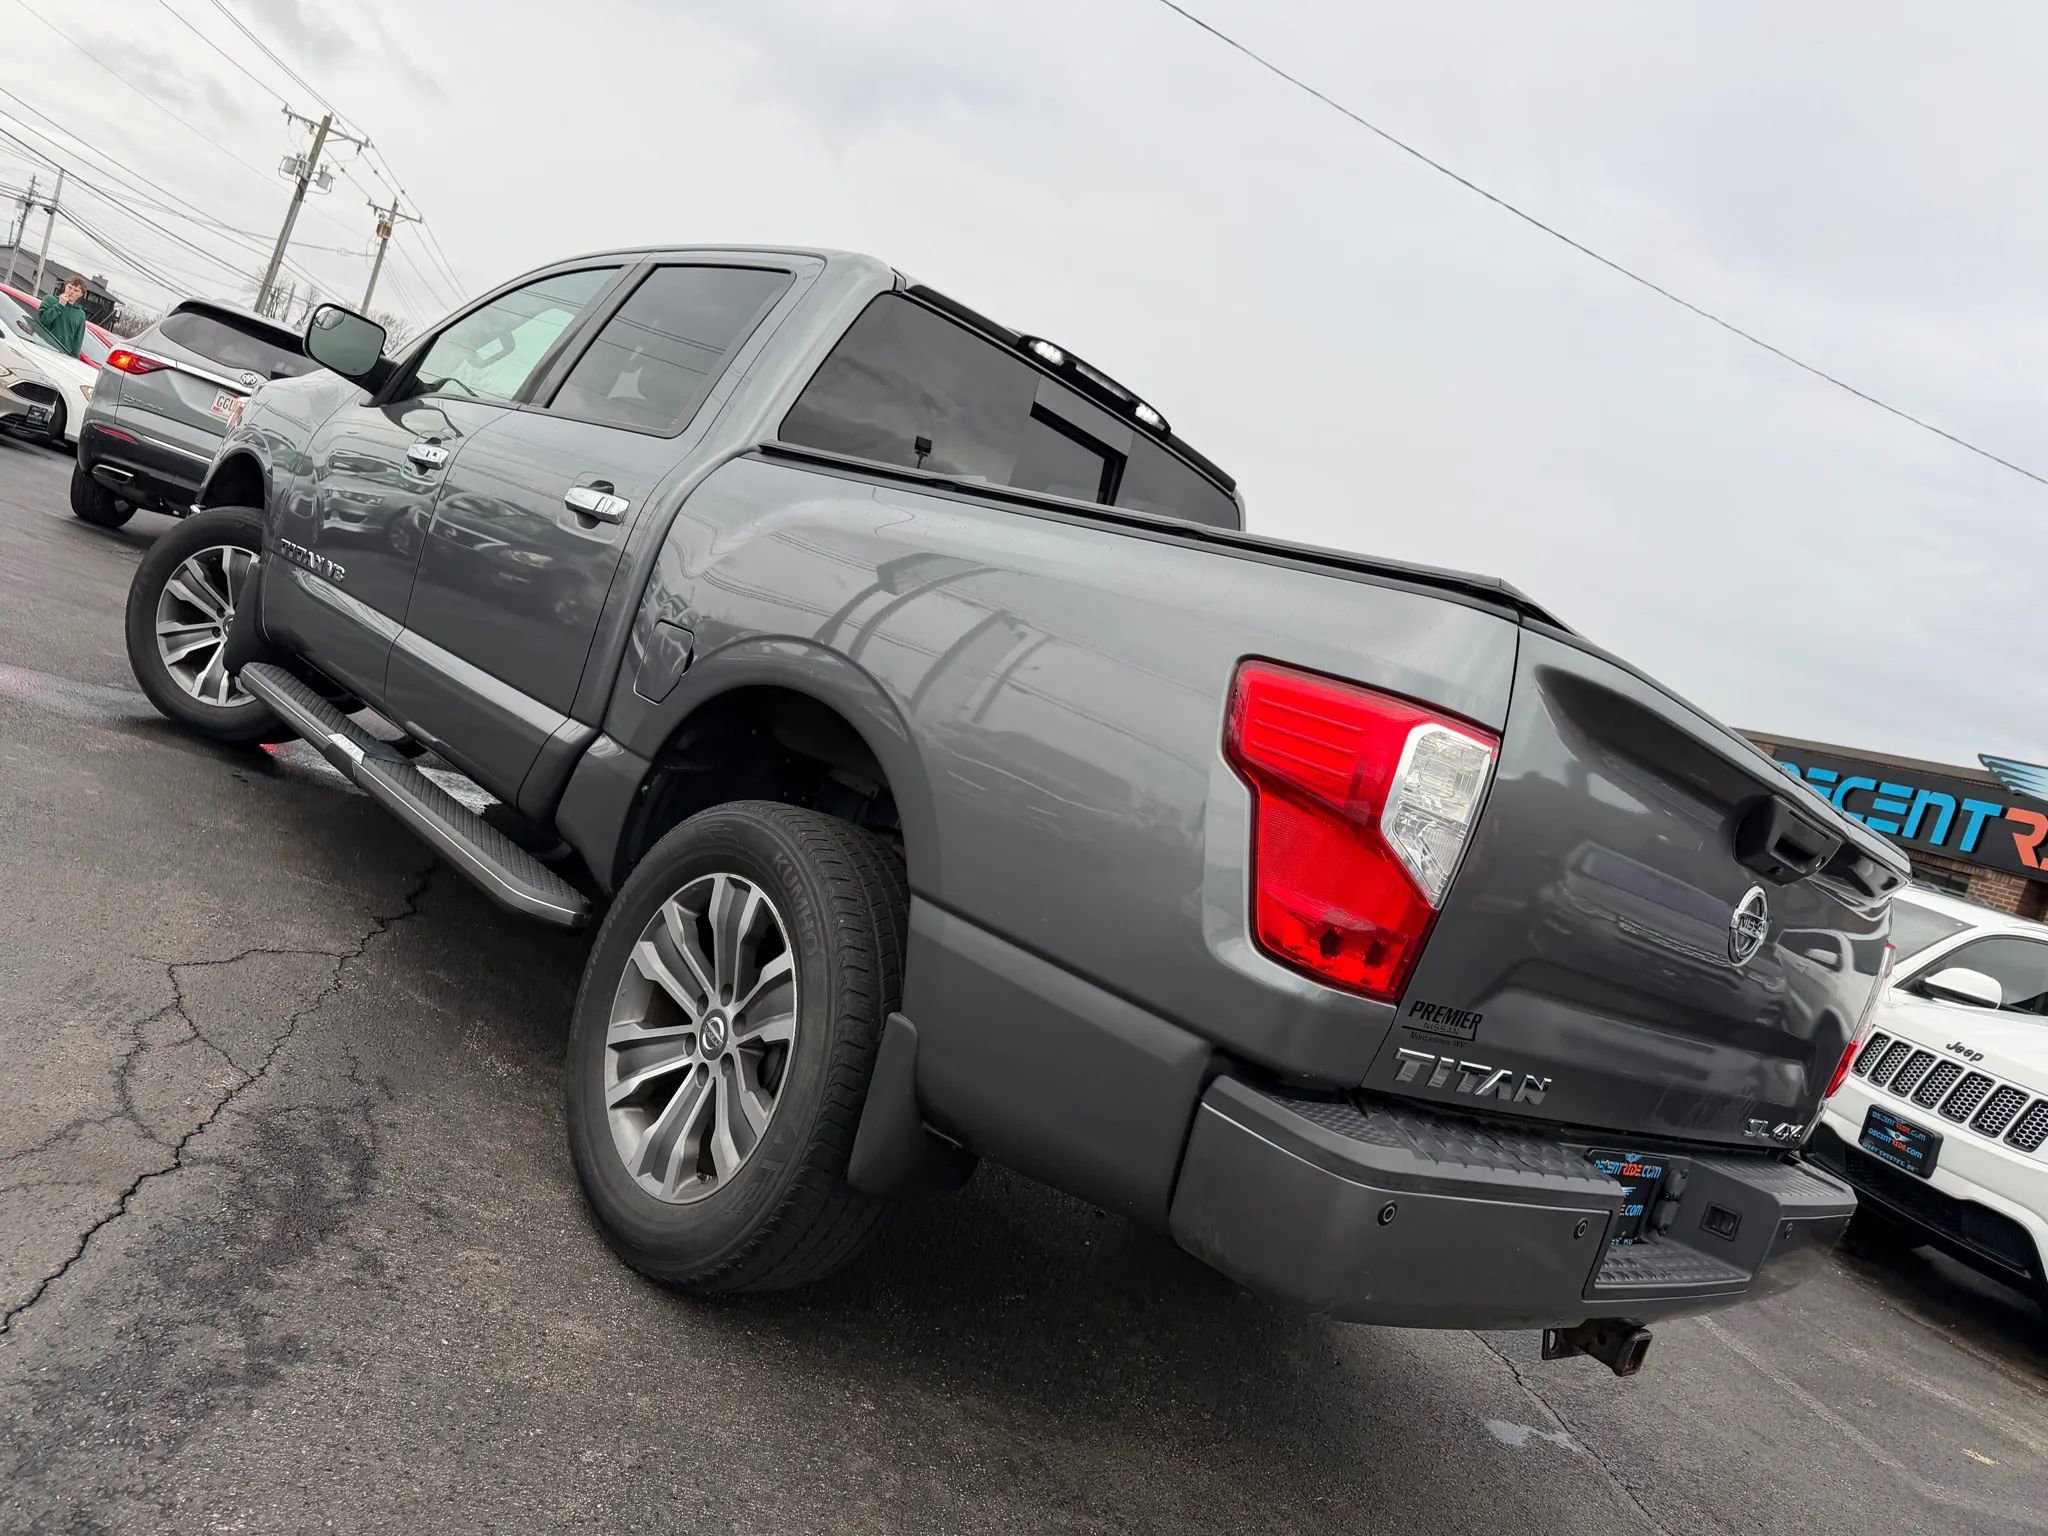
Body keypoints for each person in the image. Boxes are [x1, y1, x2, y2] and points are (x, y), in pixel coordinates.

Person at [34, 276, 87, 359]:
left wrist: (74, 359)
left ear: (81, 294)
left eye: (76, 290)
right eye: (70, 287)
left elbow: (77, 341)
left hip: (62, 356)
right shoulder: (49, 300)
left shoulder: (80, 314)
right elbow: (43, 321)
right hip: (42, 348)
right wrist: (60, 305)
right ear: (65, 286)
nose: (71, 292)